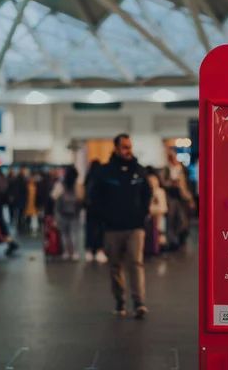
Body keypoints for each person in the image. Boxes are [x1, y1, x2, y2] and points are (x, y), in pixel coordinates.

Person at [91, 134, 152, 319]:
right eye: (125, 147)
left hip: (135, 227)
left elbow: (147, 194)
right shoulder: (105, 172)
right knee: (115, 266)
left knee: (136, 263)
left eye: (130, 146)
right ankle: (120, 301)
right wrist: (105, 216)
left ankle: (139, 302)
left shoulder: (139, 171)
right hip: (112, 228)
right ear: (116, 148)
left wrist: (142, 215)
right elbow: (95, 197)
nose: (128, 150)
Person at [160, 149, 195, 251]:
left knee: (184, 219)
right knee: (172, 219)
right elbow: (163, 182)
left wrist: (190, 199)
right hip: (172, 197)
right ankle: (174, 240)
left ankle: (181, 237)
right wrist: (171, 184)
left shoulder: (182, 169)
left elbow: (188, 185)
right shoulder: (166, 169)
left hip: (183, 197)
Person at [51, 165, 84, 261]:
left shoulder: (60, 184)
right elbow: (81, 198)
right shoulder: (78, 185)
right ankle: (75, 252)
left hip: (62, 212)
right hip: (74, 212)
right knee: (74, 233)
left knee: (64, 233)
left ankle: (66, 252)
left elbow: (53, 196)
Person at [84, 160, 107, 263]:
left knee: (89, 228)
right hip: (101, 209)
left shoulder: (88, 179)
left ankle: (89, 250)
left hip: (90, 209)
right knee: (101, 230)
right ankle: (99, 250)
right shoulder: (102, 178)